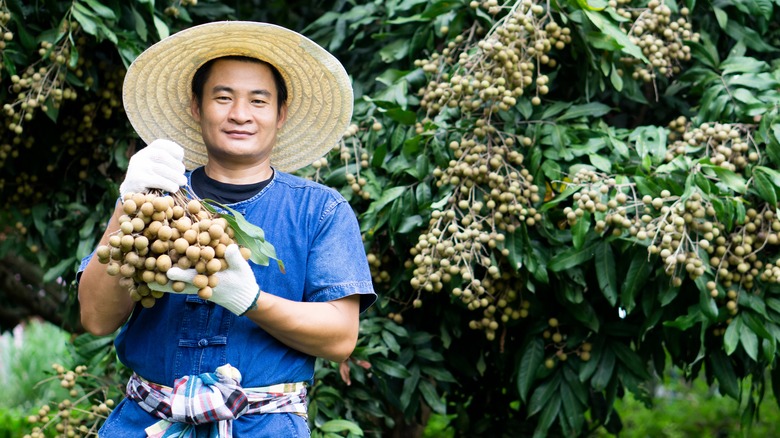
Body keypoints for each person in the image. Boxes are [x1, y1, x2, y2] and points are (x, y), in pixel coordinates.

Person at [78, 21, 376, 437]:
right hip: (146, 424)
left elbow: (340, 338)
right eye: (223, 97)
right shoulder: (154, 199)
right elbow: (95, 317)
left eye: (258, 100)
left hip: (265, 426)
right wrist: (127, 203)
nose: (240, 114)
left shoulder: (320, 211)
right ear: (197, 107)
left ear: (280, 113)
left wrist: (251, 300)